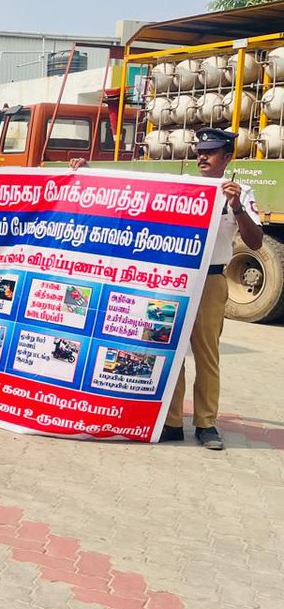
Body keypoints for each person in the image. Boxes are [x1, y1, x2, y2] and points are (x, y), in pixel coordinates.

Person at [72, 129, 263, 450]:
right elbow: (133, 196)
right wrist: (91, 174)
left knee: (206, 355)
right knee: (169, 350)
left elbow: (255, 241)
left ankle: (206, 423)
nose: (203, 156)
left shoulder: (241, 193)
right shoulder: (184, 188)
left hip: (210, 283)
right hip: (175, 282)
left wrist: (237, 207)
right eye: (200, 150)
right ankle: (172, 421)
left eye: (212, 151)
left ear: (227, 157)